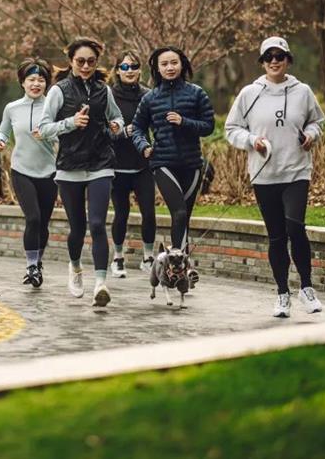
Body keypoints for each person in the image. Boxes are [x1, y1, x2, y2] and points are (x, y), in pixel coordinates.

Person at [225, 36, 325, 317]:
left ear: (288, 60)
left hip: (296, 171)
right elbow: (232, 128)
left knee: (296, 227)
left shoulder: (302, 91)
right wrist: (252, 140)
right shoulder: (249, 93)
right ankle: (282, 293)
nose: (274, 61)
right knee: (277, 237)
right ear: (262, 62)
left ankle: (307, 288)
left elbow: (317, 122)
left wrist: (311, 135)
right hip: (264, 175)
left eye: (279, 56)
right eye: (268, 57)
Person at [39, 38, 124, 307]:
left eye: (91, 61)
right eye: (80, 61)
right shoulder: (58, 91)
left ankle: (100, 284)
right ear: (71, 61)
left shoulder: (104, 90)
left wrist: (116, 126)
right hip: (70, 166)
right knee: (77, 227)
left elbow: (118, 118)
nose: (86, 66)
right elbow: (44, 128)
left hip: (101, 163)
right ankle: (75, 267)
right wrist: (71, 123)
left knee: (97, 224)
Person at [131, 46, 214, 287]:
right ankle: (180, 269)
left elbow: (208, 126)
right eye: (164, 64)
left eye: (174, 62)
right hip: (163, 163)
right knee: (178, 213)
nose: (170, 67)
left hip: (192, 164)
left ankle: (179, 270)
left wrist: (183, 121)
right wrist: (143, 146)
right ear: (157, 68)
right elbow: (137, 128)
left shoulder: (196, 93)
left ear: (182, 64)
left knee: (184, 218)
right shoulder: (150, 98)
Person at [0, 58, 58, 288]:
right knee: (33, 218)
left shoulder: (53, 107)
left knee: (43, 222)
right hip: (21, 170)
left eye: (41, 80)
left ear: (47, 83)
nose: (36, 84)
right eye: (31, 79)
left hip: (49, 172)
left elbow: (62, 134)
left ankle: (38, 262)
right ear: (22, 82)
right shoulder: (12, 108)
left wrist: (49, 134)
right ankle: (31, 266)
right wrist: (0, 141)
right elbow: (3, 131)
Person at [109, 50, 157, 277]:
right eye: (124, 67)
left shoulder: (148, 95)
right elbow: (102, 130)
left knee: (149, 212)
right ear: (117, 70)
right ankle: (118, 257)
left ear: (140, 70)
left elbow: (156, 125)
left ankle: (148, 257)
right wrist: (123, 133)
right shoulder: (109, 95)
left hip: (142, 164)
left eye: (134, 66)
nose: (129, 71)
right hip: (117, 165)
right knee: (121, 214)